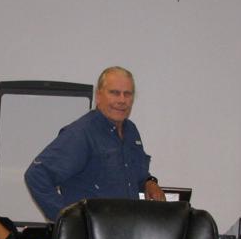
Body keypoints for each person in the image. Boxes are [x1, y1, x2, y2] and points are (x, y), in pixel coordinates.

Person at [24, 66, 165, 220]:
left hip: (126, 229)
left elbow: (137, 174)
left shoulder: (131, 131)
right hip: (91, 233)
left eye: (127, 94)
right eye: (114, 93)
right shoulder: (81, 134)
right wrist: (68, 220)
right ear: (98, 96)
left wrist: (149, 182)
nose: (122, 100)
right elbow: (37, 175)